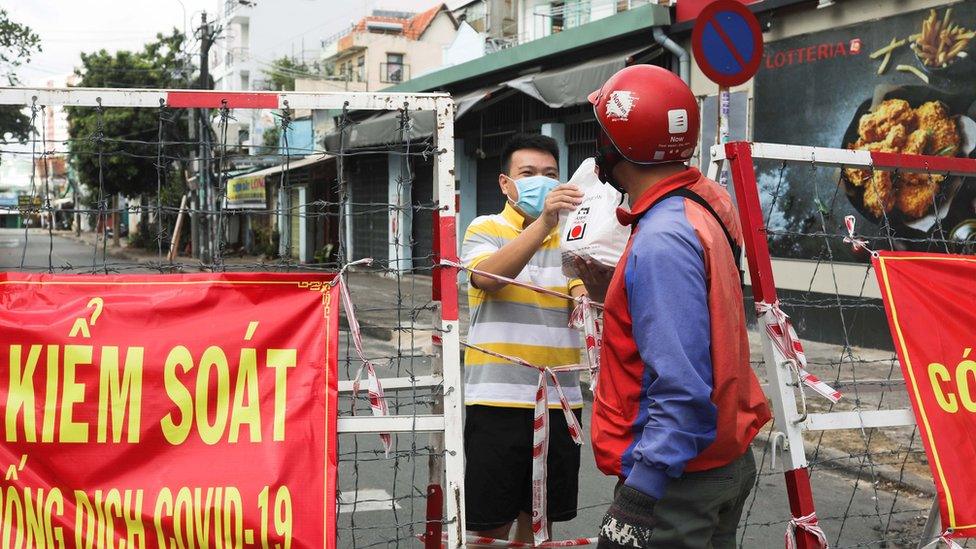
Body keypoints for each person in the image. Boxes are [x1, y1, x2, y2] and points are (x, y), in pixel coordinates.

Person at [580, 65, 772, 548]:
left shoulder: (662, 241)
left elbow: (682, 385)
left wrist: (639, 496)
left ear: (615, 148)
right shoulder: (706, 202)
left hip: (679, 479)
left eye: (602, 133)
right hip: (721, 456)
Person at [460, 133, 586, 542]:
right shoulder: (486, 227)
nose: (542, 182)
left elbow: (588, 300)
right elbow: (487, 277)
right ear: (505, 183)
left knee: (538, 529)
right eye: (528, 173)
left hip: (559, 403)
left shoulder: (574, 235)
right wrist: (545, 224)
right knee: (489, 530)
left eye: (551, 174)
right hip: (497, 402)